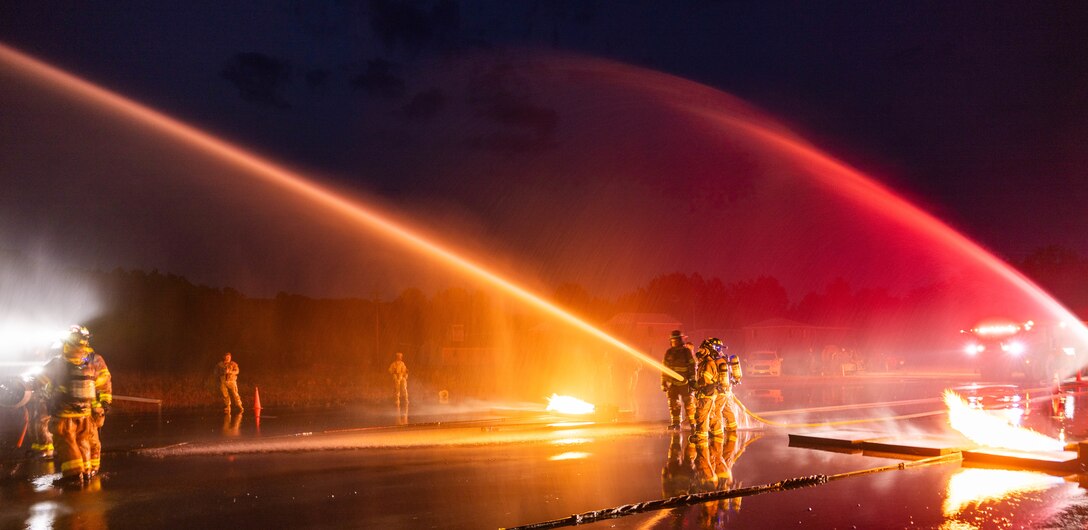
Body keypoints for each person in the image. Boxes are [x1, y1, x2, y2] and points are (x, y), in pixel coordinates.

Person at [37, 326, 109, 485]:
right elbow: (104, 382)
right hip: (86, 415)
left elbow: (40, 379)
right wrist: (104, 403)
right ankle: (88, 472)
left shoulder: (59, 362)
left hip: (65, 414)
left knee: (67, 443)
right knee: (85, 443)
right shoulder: (94, 360)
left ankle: (73, 476)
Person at [661, 330, 696, 431]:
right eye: (673, 340)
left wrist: (692, 380)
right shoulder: (669, 352)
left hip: (685, 383)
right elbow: (664, 367)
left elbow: (692, 365)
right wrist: (663, 382)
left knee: (689, 405)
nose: (674, 342)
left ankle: (693, 424)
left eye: (676, 340)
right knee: (674, 404)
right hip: (673, 384)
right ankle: (676, 423)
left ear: (681, 340)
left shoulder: (686, 352)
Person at [689, 338, 722, 446]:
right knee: (711, 415)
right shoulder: (705, 362)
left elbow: (705, 379)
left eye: (702, 349)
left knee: (701, 414)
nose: (700, 351)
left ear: (707, 350)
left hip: (706, 393)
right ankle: (717, 433)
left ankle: (700, 436)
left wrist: (695, 385)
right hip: (708, 393)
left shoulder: (708, 363)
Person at [388, 352, 409, 417]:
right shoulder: (394, 364)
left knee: (404, 388)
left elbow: (405, 370)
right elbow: (390, 370)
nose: (400, 357)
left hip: (402, 377)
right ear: (397, 357)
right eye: (399, 356)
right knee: (397, 389)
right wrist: (394, 374)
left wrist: (405, 374)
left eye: (401, 356)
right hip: (396, 377)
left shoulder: (402, 364)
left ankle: (406, 399)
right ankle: (397, 400)